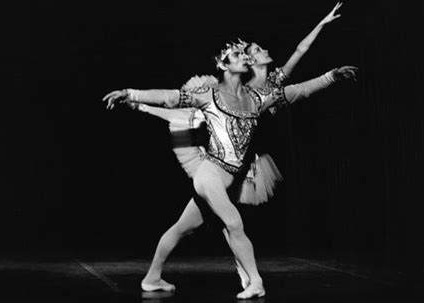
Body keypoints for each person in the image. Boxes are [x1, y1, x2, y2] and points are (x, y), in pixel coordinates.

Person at [103, 42, 357, 299]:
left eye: (243, 54)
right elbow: (170, 98)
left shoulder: (257, 99)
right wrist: (131, 93)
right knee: (234, 223)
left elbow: (298, 91)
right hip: (209, 174)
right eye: (235, 55)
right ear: (222, 65)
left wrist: (331, 76)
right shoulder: (209, 96)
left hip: (228, 178)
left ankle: (152, 277)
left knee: (183, 227)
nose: (243, 57)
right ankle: (256, 282)